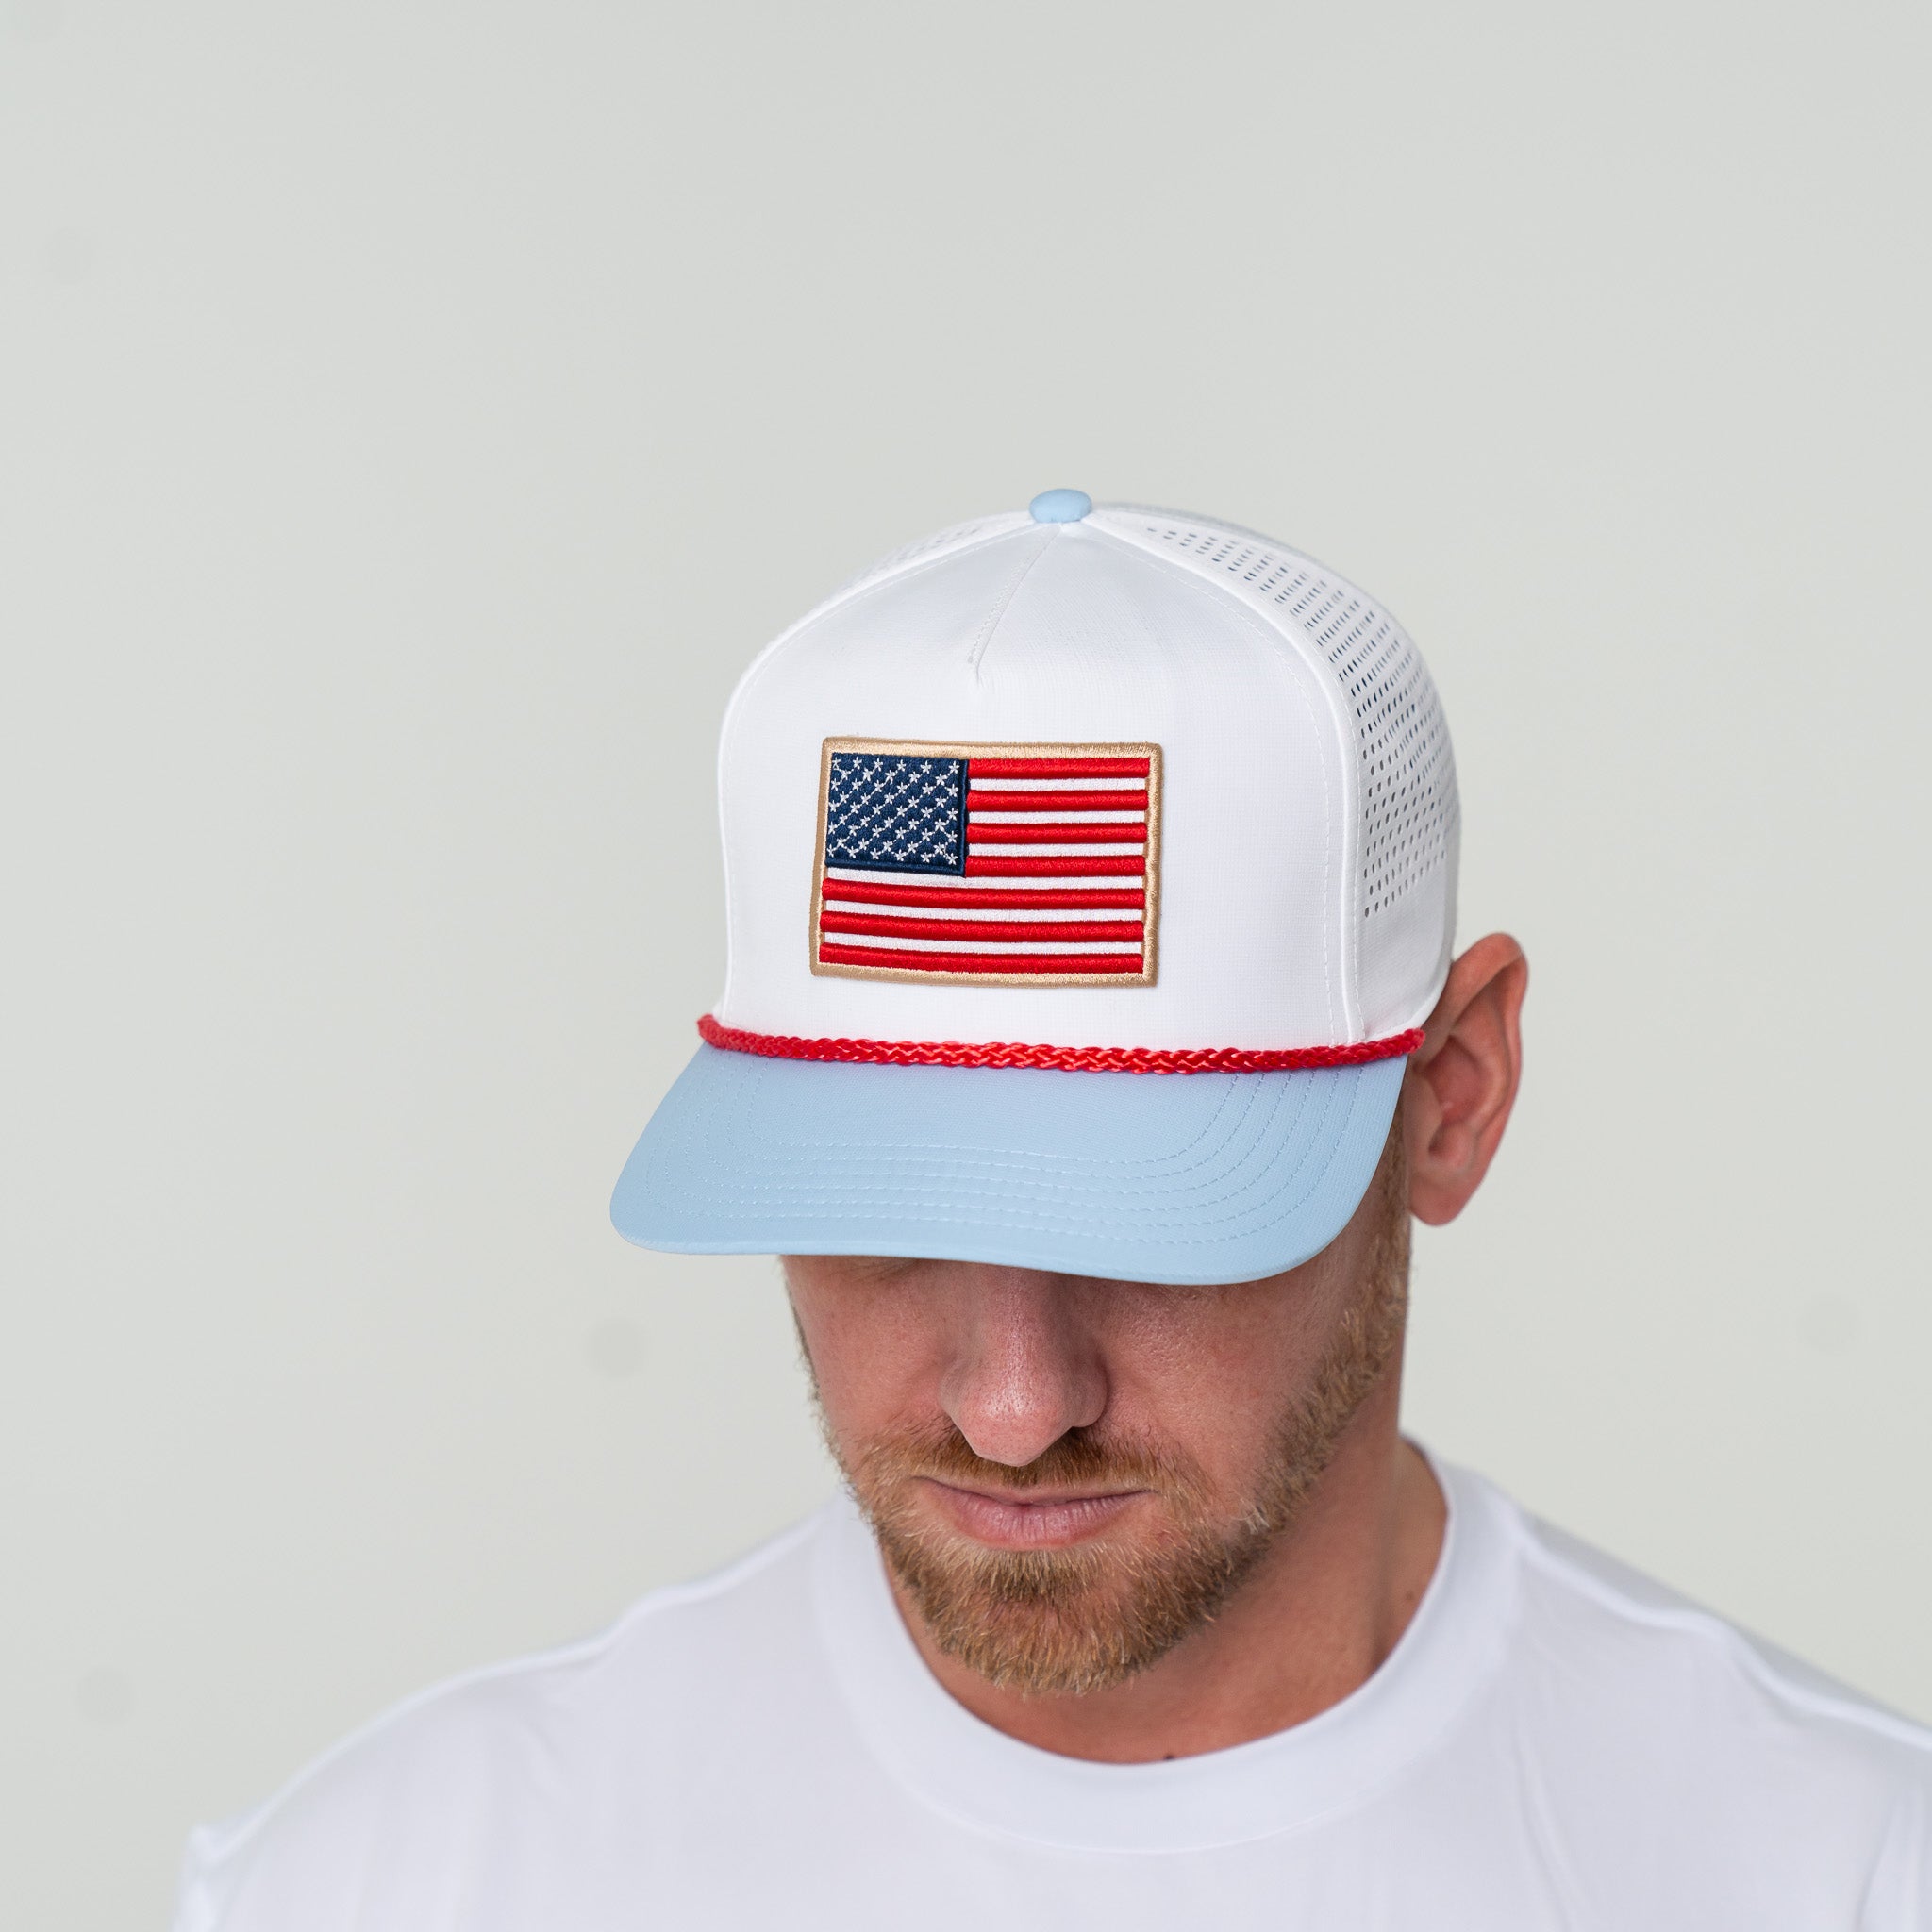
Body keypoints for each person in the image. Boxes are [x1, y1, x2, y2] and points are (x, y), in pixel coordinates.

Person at [175, 492, 1932, 1929]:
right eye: (882, 1209)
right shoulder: (390, 1884)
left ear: (1450, 1099)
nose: (1014, 1407)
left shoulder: (1837, 1873)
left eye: (1150, 1224)